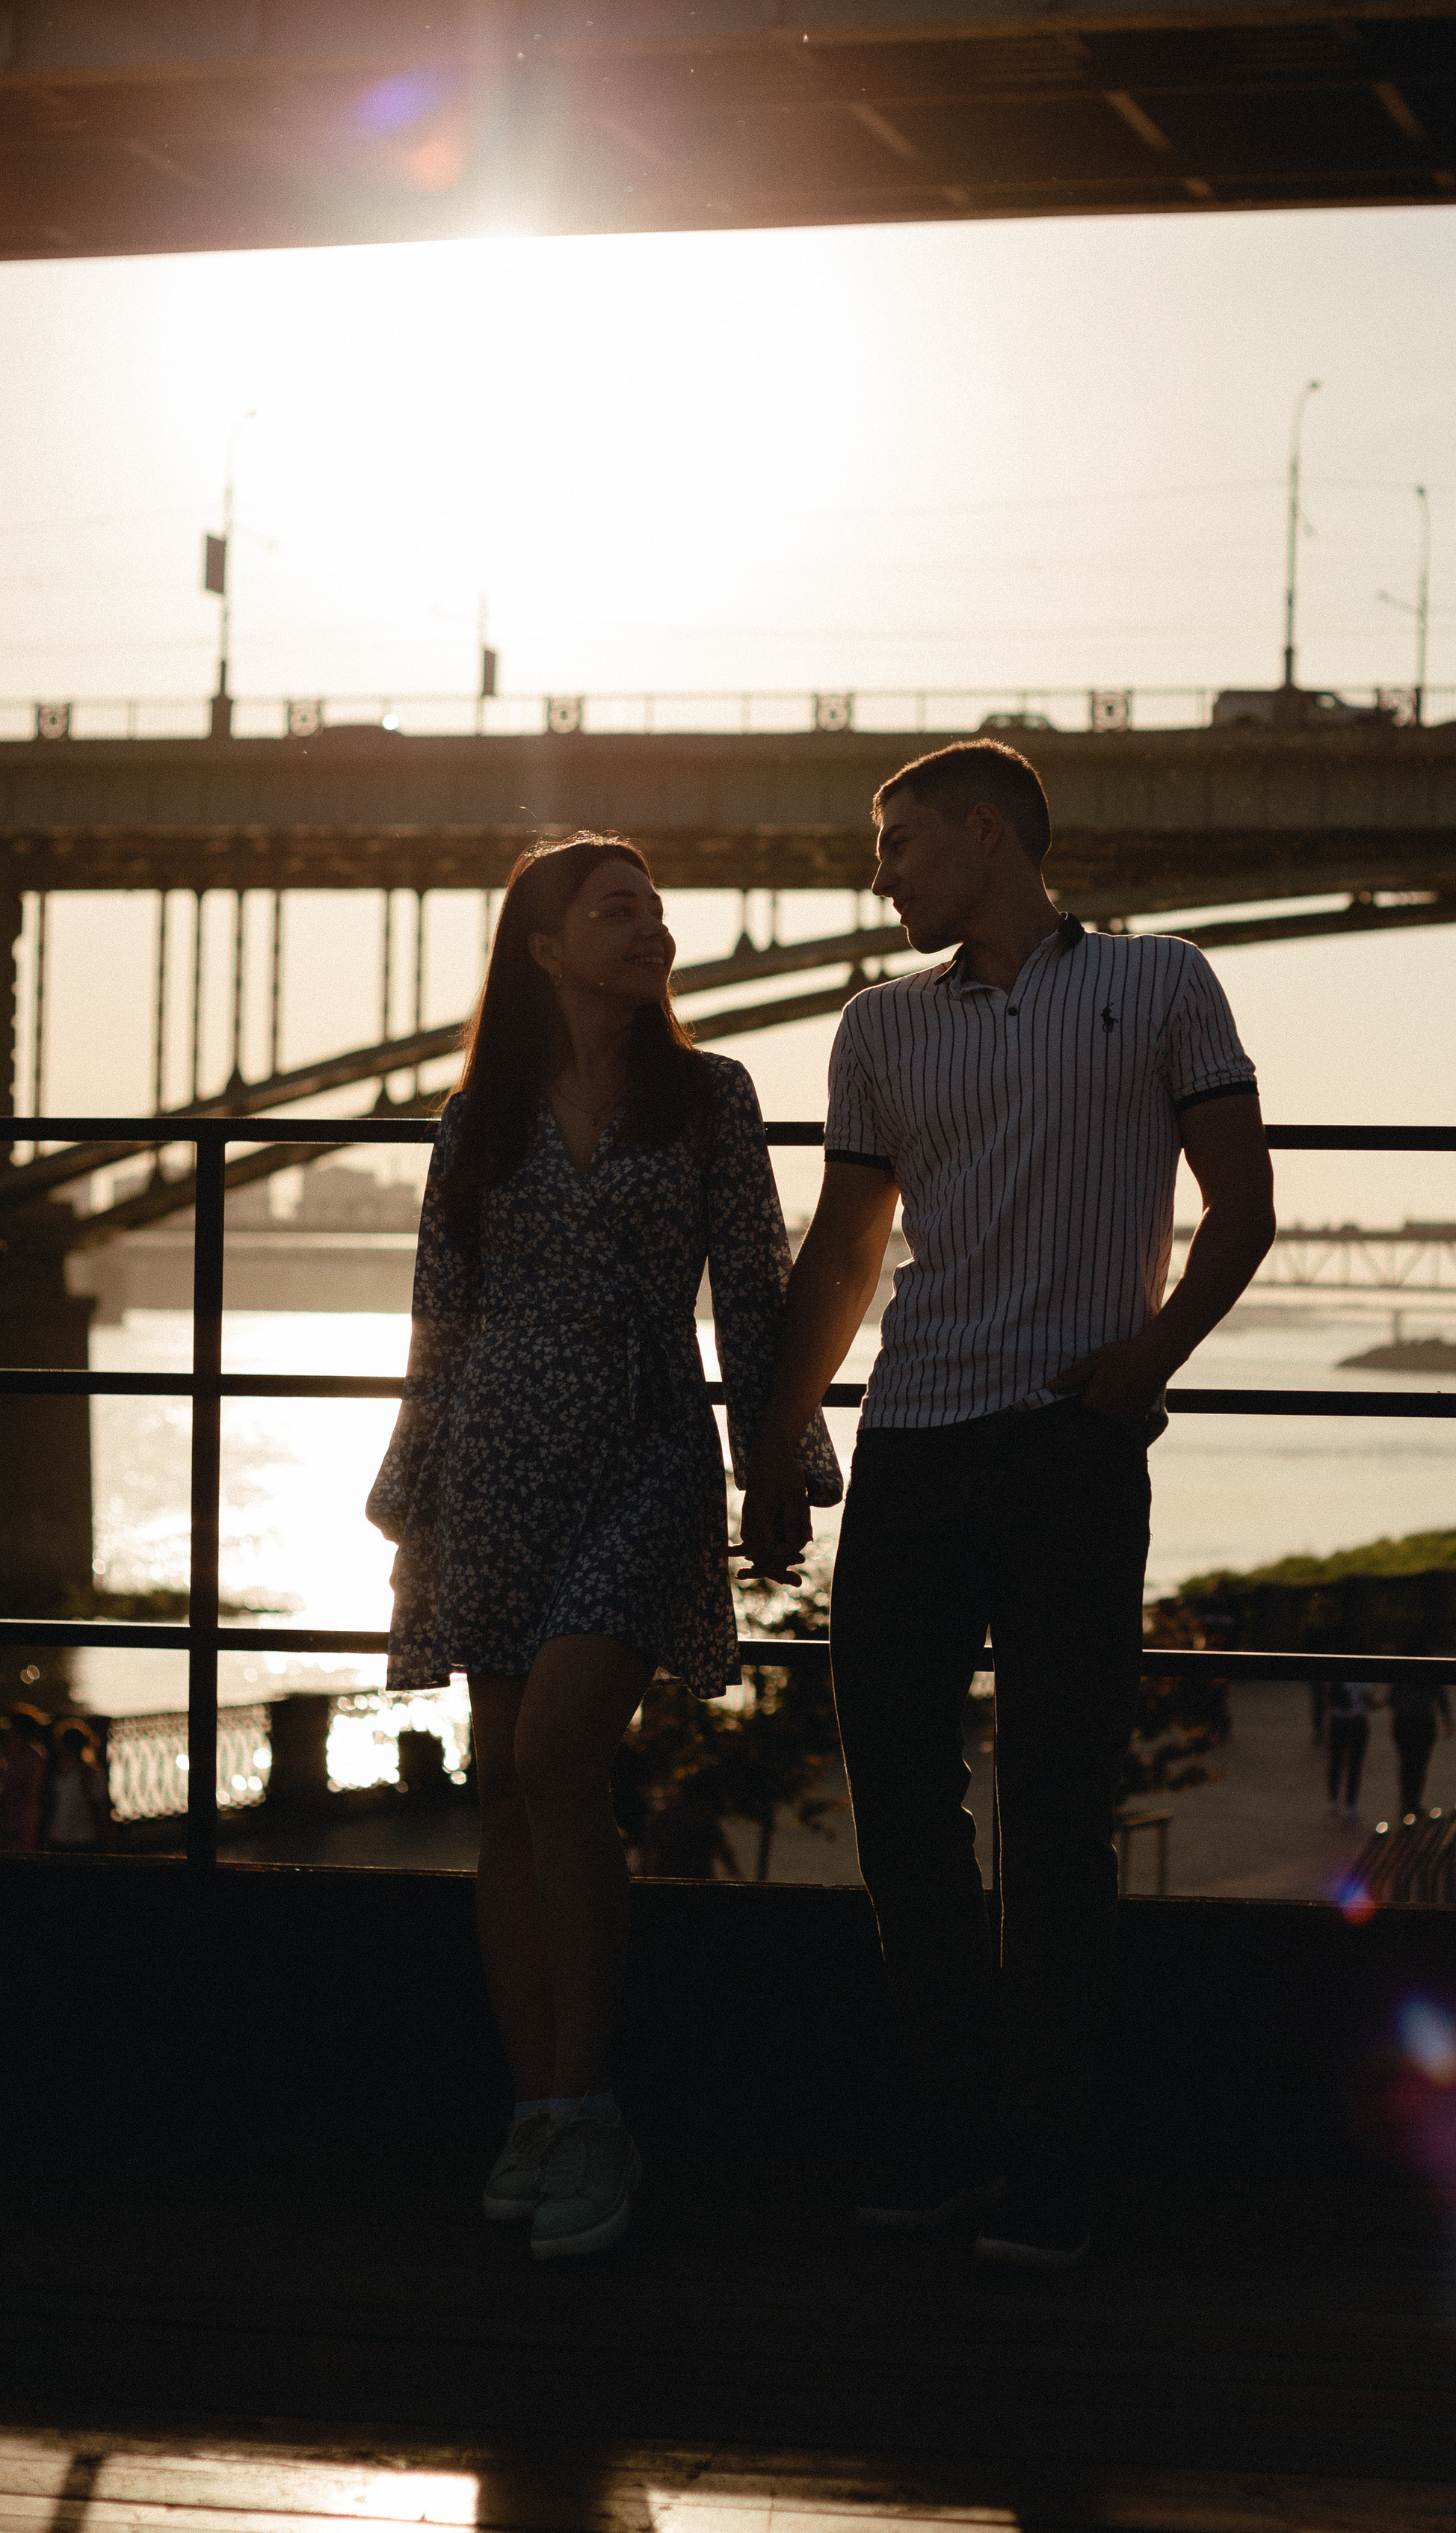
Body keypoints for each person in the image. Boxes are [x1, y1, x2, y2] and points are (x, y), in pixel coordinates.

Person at [741, 740, 1273, 2269]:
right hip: (911, 1447)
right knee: (904, 1809)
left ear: (987, 836)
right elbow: (847, 1251)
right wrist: (774, 1446)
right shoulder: (878, 1027)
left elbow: (1241, 1208)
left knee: (1055, 1814)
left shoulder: (1163, 984)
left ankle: (1046, 2155)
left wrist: (1148, 1360)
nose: (879, 877)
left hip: (1068, 1449)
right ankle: (951, 2124)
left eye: (897, 845)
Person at [366, 833, 839, 2262]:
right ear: (544, 946)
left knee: (557, 1754)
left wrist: (776, 1457)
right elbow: (440, 1319)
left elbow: (751, 1286)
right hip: (494, 1461)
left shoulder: (709, 1097)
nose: (654, 930)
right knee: (506, 1796)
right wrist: (410, 1508)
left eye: (657, 910)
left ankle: (589, 2109)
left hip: (643, 1448)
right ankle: (535, 2110)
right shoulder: (478, 1118)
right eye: (617, 910)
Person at [1386, 1672, 1452, 1815]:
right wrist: (1447, 1720)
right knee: (1419, 1765)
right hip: (1423, 1722)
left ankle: (1407, 1802)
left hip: (1405, 1722)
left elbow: (1392, 1700)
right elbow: (1441, 1697)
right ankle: (1413, 1802)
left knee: (1407, 1764)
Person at [43, 1721, 111, 1851]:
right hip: (67, 1839)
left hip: (81, 1840)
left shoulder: (86, 1773)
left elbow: (101, 1807)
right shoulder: (65, 1773)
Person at [0, 1706, 50, 1854]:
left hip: (22, 1816)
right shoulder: (10, 1753)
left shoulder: (34, 1755)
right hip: (8, 1814)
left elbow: (32, 1790)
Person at [1323, 1678, 1375, 1819]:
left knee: (1335, 1762)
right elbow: (1367, 1700)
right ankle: (1350, 1806)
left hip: (1337, 1721)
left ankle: (1333, 1801)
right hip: (1357, 1721)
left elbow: (1327, 1697)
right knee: (1354, 1765)